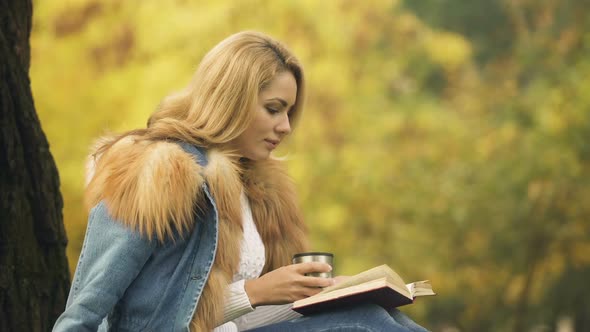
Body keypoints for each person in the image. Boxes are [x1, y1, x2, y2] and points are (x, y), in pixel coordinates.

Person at [53, 31, 429, 332]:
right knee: (365, 325)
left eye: (289, 112)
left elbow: (242, 321)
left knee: (374, 313)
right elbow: (92, 308)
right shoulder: (157, 171)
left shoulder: (260, 191)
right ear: (231, 99)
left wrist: (323, 296)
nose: (285, 127)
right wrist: (254, 291)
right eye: (273, 109)